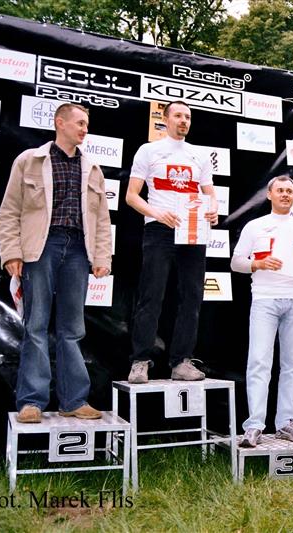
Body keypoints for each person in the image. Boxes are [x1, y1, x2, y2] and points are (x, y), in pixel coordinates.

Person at [0, 103, 112, 423]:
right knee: (35, 325)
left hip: (78, 250)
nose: (85, 129)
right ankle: (31, 402)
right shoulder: (29, 160)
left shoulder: (93, 168)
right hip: (41, 247)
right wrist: (12, 252)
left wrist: (102, 256)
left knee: (72, 328)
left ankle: (74, 399)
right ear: (60, 123)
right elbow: (9, 211)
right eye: (80, 123)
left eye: (87, 124)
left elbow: (102, 220)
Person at [125, 100, 218, 383]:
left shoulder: (199, 155)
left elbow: (210, 194)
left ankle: (181, 362)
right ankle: (140, 361)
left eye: (187, 116)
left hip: (192, 230)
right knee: (151, 295)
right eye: (178, 115)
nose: (183, 120)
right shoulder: (149, 150)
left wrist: (213, 209)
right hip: (159, 228)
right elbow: (131, 196)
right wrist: (157, 213)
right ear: (165, 119)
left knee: (192, 297)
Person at [231, 175, 293, 447]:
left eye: (289, 191)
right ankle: (254, 426)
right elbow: (236, 263)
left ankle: (285, 423)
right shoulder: (255, 226)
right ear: (269, 194)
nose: (285, 195)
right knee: (259, 362)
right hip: (265, 300)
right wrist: (258, 264)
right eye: (280, 190)